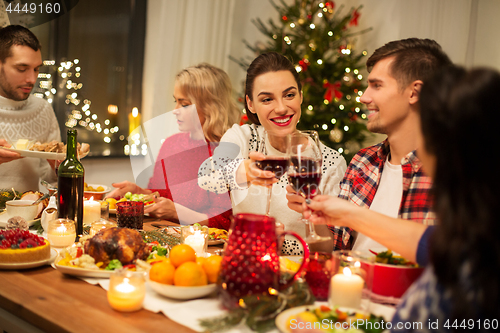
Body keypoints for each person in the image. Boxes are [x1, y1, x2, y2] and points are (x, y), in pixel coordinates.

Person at [304, 65, 500, 332]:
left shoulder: (459, 277)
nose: (363, 97)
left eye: (377, 85)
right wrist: (343, 213)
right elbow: (431, 242)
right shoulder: (472, 238)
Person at [287, 38, 452, 252]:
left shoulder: (451, 172)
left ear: (414, 93)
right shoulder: (363, 161)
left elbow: (447, 258)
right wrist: (315, 219)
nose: (364, 97)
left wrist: (351, 215)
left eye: (376, 85)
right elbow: (333, 248)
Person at [198, 52, 347, 254]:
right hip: (246, 263)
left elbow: (330, 250)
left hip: (297, 272)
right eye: (267, 99)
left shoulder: (330, 162)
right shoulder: (243, 137)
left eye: (289, 95)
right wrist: (245, 171)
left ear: (301, 96)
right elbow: (206, 177)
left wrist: (313, 217)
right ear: (250, 104)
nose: (281, 108)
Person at [106, 63, 240, 230]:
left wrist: (176, 213)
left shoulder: (226, 152)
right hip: (162, 236)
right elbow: (161, 196)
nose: (175, 110)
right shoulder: (171, 144)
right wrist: (138, 192)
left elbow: (224, 222)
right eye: (175, 101)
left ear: (209, 107)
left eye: (184, 104)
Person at [0, 25, 60, 192]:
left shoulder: (43, 109)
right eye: (22, 69)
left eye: (36, 69)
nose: (32, 79)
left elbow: (49, 179)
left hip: (29, 213)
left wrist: (59, 167)